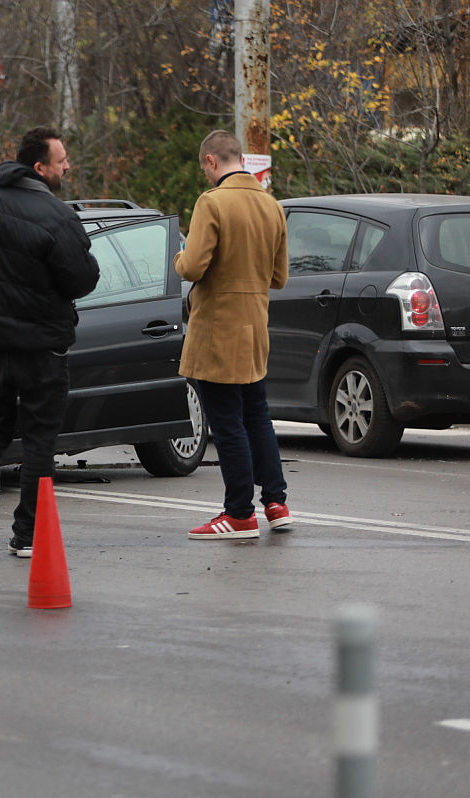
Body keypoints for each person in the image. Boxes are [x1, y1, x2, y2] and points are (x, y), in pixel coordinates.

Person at [0, 127, 99, 558]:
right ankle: (28, 535)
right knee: (39, 439)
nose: (67, 165)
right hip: (42, 345)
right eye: (61, 160)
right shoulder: (56, 215)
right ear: (39, 167)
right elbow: (83, 278)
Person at [174, 129, 292, 540]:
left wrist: (178, 256)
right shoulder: (271, 205)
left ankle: (239, 513)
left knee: (226, 423)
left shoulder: (212, 203)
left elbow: (191, 267)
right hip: (254, 327)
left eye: (203, 167)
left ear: (211, 161)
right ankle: (276, 503)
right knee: (257, 415)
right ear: (239, 157)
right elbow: (279, 277)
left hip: (217, 328)